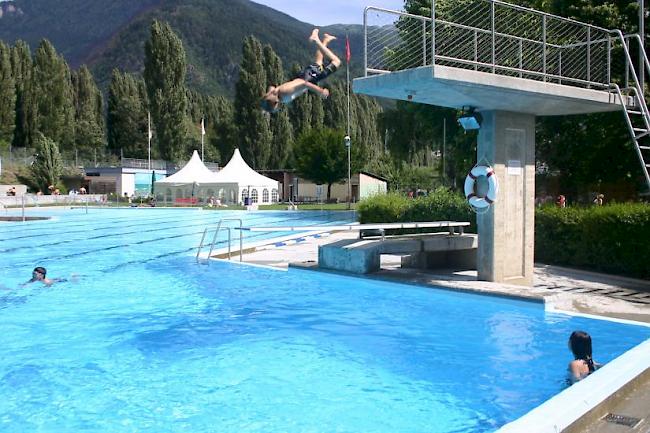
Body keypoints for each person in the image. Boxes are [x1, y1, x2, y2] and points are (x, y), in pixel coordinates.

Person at [260, 28, 341, 113]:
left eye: (274, 109)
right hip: (306, 75)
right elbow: (271, 88)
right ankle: (325, 39)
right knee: (319, 61)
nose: (276, 110)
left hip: (308, 79)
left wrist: (320, 91)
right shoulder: (275, 94)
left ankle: (316, 40)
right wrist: (265, 107)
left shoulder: (284, 93)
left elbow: (304, 84)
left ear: (274, 103)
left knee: (336, 62)